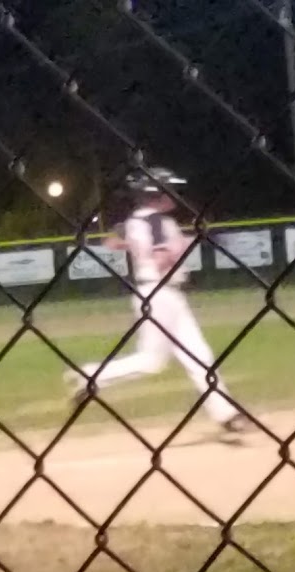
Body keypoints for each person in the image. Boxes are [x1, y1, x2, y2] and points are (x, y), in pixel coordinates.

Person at [64, 167, 253, 436]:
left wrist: (137, 242)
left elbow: (110, 242)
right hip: (160, 295)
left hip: (160, 294)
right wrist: (192, 241)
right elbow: (163, 258)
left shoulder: (138, 221)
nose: (173, 194)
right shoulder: (156, 222)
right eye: (167, 189)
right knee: (151, 361)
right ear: (154, 193)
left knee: (200, 357)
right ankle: (88, 376)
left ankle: (227, 415)